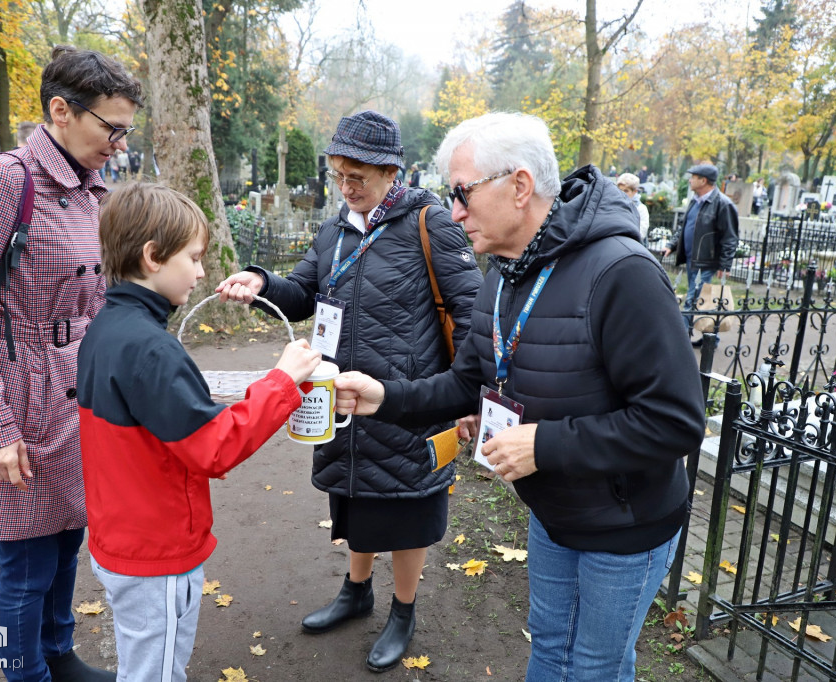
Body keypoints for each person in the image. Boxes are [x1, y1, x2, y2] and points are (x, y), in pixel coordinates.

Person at [332, 112, 705, 681]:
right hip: (553, 513)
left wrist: (545, 445)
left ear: (520, 185)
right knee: (550, 651)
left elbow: (675, 422)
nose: (453, 211)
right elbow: (465, 383)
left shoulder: (622, 273)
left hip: (625, 526)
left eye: (462, 193)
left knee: (594, 669)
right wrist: (381, 396)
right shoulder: (504, 273)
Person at [215, 110, 483, 672]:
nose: (346, 185)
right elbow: (305, 291)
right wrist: (262, 283)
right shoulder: (336, 229)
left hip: (409, 400)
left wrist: (468, 398)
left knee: (408, 509)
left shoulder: (431, 223)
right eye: (338, 173)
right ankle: (356, 591)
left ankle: (403, 610)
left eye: (357, 174)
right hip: (341, 399)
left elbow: (473, 314)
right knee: (358, 499)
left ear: (392, 172)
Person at [0, 45, 142, 682]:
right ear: (60, 111)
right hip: (15, 405)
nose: (120, 144)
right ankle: (29, 675)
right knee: (25, 565)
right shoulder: (1, 180)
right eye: (112, 128)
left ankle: (58, 655)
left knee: (69, 538)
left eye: (126, 131)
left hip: (79, 399)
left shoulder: (93, 191)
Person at [77, 182, 320, 682]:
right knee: (156, 673)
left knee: (142, 662)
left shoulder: (106, 328)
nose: (203, 270)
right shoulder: (152, 348)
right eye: (193, 257)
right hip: (156, 550)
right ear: (152, 257)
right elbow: (215, 448)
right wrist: (281, 381)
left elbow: (159, 431)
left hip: (121, 533)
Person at [662, 163, 739, 346]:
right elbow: (684, 227)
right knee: (702, 300)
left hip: (707, 261)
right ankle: (710, 338)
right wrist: (672, 245)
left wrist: (724, 265)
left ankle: (678, 341)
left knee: (692, 299)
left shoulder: (722, 204)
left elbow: (730, 237)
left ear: (703, 180)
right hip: (691, 259)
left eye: (693, 177)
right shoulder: (695, 201)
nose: (690, 180)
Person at [617, 172, 650, 242]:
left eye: (626, 191)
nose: (622, 193)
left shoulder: (641, 209)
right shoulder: (615, 205)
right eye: (620, 190)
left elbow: (641, 233)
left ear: (634, 191)